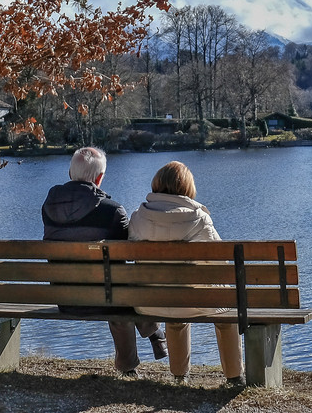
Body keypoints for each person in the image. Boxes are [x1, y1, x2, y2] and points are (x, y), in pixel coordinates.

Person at [40, 146, 167, 376]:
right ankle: (152, 339)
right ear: (100, 178)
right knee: (121, 284)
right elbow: (128, 255)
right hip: (108, 298)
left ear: (70, 174)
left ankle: (151, 342)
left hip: (65, 298)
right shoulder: (112, 211)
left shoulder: (48, 207)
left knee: (116, 283)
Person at [127, 161, 243, 386]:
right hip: (192, 301)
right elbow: (221, 262)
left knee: (174, 301)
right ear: (187, 188)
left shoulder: (138, 217)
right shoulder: (199, 218)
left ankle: (180, 376)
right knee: (225, 309)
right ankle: (234, 376)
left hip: (148, 302)